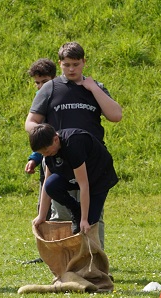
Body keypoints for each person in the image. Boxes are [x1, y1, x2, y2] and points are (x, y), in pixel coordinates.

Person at [26, 42, 122, 247]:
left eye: (76, 64)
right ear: (60, 64)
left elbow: (116, 115)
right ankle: (66, 265)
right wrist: (47, 139)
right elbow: (30, 122)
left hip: (91, 161)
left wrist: (94, 88)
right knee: (61, 213)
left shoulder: (95, 87)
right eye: (66, 64)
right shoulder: (50, 88)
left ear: (84, 62)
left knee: (94, 216)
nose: (71, 69)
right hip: (59, 158)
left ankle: (96, 263)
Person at [29, 124, 116, 236]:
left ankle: (92, 252)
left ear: (56, 139)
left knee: (88, 224)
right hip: (75, 174)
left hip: (99, 176)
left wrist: (84, 219)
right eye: (42, 154)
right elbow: (47, 183)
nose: (45, 155)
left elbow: (84, 184)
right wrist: (42, 215)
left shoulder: (73, 145)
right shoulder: (49, 152)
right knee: (51, 185)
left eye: (46, 151)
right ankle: (76, 210)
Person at [24, 59, 56, 178]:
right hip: (48, 153)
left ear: (55, 78)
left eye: (45, 82)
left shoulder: (60, 97)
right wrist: (35, 158)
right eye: (37, 83)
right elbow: (42, 135)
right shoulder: (40, 100)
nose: (41, 86)